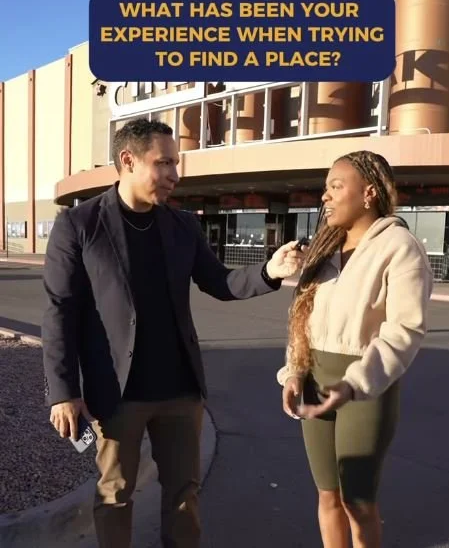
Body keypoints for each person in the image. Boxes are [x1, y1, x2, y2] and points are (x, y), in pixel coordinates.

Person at [42, 118, 306, 548]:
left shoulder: (183, 225)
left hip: (181, 391)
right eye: (163, 163)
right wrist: (63, 392)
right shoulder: (80, 225)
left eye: (175, 163)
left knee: (185, 494)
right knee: (115, 494)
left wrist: (269, 272)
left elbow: (219, 282)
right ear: (128, 161)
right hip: (118, 392)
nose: (174, 175)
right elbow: (59, 311)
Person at [277, 150, 433, 548]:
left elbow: (405, 330)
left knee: (357, 503)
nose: (325, 196)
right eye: (325, 188)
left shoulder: (400, 247)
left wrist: (355, 383)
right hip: (314, 382)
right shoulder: (325, 248)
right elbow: (303, 318)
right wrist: (294, 371)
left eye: (335, 186)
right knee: (327, 495)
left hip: (366, 388)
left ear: (368, 193)